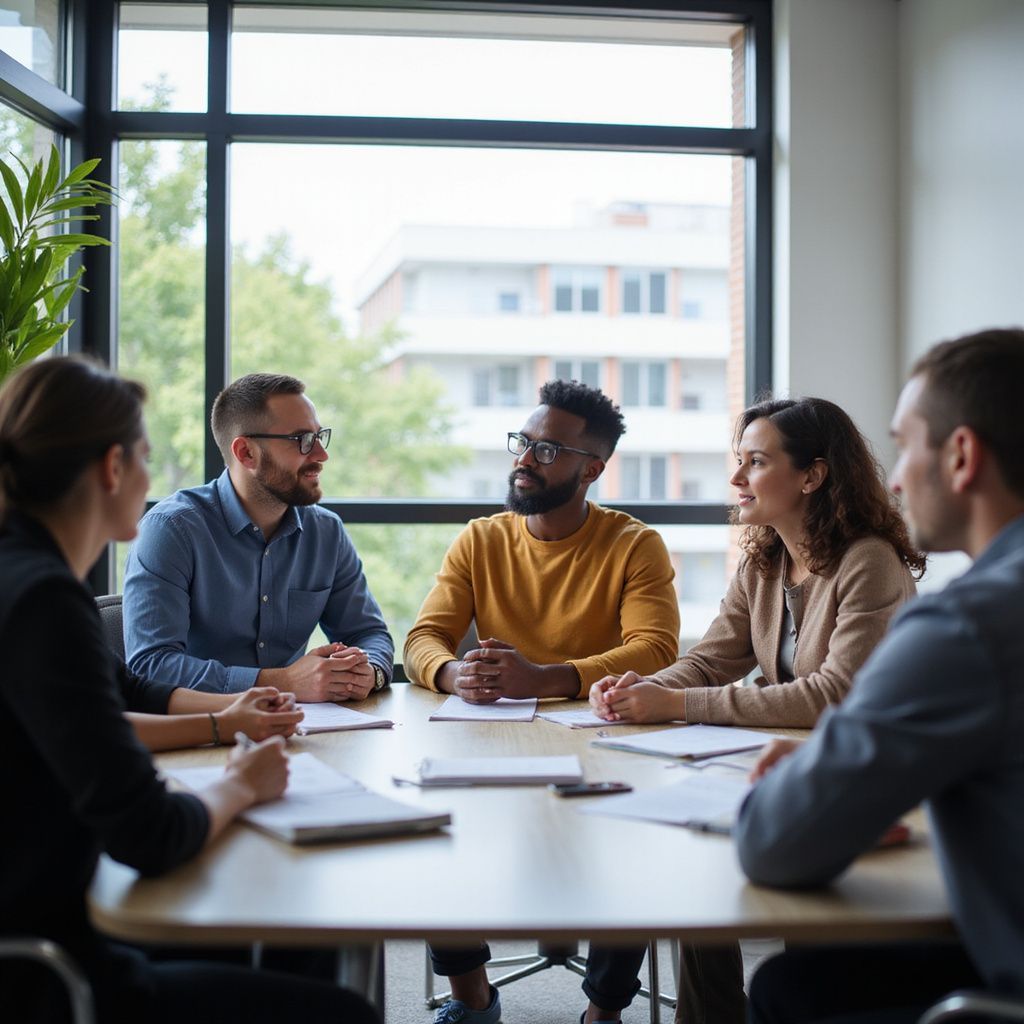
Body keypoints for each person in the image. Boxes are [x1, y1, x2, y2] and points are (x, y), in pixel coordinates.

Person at [0, 355, 377, 1024]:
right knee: (343, 1012)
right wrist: (243, 782)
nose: (152, 478)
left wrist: (228, 722)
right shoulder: (45, 601)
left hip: (48, 907)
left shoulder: (23, 577)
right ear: (113, 469)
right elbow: (151, 832)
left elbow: (126, 696)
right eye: (146, 456)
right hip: (52, 966)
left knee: (292, 931)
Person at [588, 397, 923, 1024]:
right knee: (696, 876)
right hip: (770, 762)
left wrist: (678, 703)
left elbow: (833, 695)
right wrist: (640, 686)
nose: (737, 479)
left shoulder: (869, 562)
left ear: (812, 476)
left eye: (756, 462)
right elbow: (713, 659)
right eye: (737, 461)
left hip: (851, 781)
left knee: (797, 931)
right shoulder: (764, 557)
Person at [736, 327, 1024, 1024]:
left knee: (786, 987)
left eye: (904, 445)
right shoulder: (766, 562)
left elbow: (775, 843)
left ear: (960, 456)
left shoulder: (967, 625)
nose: (894, 478)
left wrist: (809, 779)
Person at [403, 379, 679, 1024]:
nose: (525, 458)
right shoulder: (481, 539)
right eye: (523, 442)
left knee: (636, 830)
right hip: (493, 740)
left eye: (547, 449)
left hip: (603, 741)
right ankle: (472, 998)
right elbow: (423, 637)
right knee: (431, 828)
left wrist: (547, 677)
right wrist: (450, 677)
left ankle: (603, 1013)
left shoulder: (634, 544)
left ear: (592, 468)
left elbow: (657, 650)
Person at [124, 372, 393, 703]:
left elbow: (368, 634)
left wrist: (369, 671)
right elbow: (152, 667)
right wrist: (284, 682)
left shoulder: (326, 532)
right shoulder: (172, 530)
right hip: (197, 736)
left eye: (319, 437)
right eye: (302, 440)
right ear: (246, 453)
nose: (321, 455)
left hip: (301, 730)